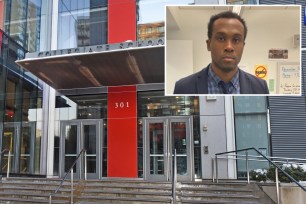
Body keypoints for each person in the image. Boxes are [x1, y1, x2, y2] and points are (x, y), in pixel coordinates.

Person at [173, 11, 269, 94]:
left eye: (236, 40)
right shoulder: (183, 87)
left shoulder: (260, 87)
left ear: (243, 46)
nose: (229, 47)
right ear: (209, 44)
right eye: (221, 38)